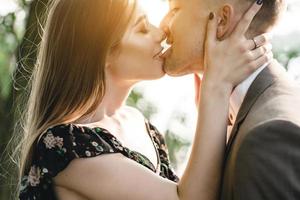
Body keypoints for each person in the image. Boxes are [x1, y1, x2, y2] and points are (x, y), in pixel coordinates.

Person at [15, 0, 271, 199]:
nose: (160, 33)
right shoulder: (65, 149)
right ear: (101, 52)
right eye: (141, 28)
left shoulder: (138, 123)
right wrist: (216, 87)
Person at [160, 0, 300, 199]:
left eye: (175, 10)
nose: (162, 27)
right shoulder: (246, 111)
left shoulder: (269, 137)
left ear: (222, 20)